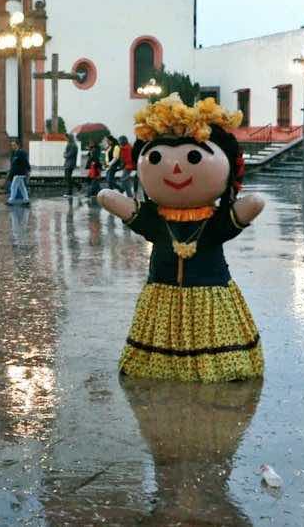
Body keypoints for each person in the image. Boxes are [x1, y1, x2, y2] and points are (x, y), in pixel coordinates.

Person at [98, 94, 264, 382]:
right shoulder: (156, 218)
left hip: (209, 290)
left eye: (193, 157)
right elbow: (132, 213)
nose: (175, 169)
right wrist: (112, 199)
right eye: (158, 158)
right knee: (161, 333)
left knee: (209, 332)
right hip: (162, 288)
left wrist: (248, 207)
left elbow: (239, 215)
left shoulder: (213, 221)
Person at [6, 138, 31, 205]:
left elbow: (25, 162)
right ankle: (26, 200)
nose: (13, 146)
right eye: (12, 145)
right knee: (22, 187)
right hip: (16, 173)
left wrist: (28, 170)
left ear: (18, 145)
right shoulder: (14, 153)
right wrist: (10, 172)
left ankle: (11, 200)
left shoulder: (21, 153)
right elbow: (13, 164)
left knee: (13, 187)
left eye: (14, 145)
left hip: (20, 173)